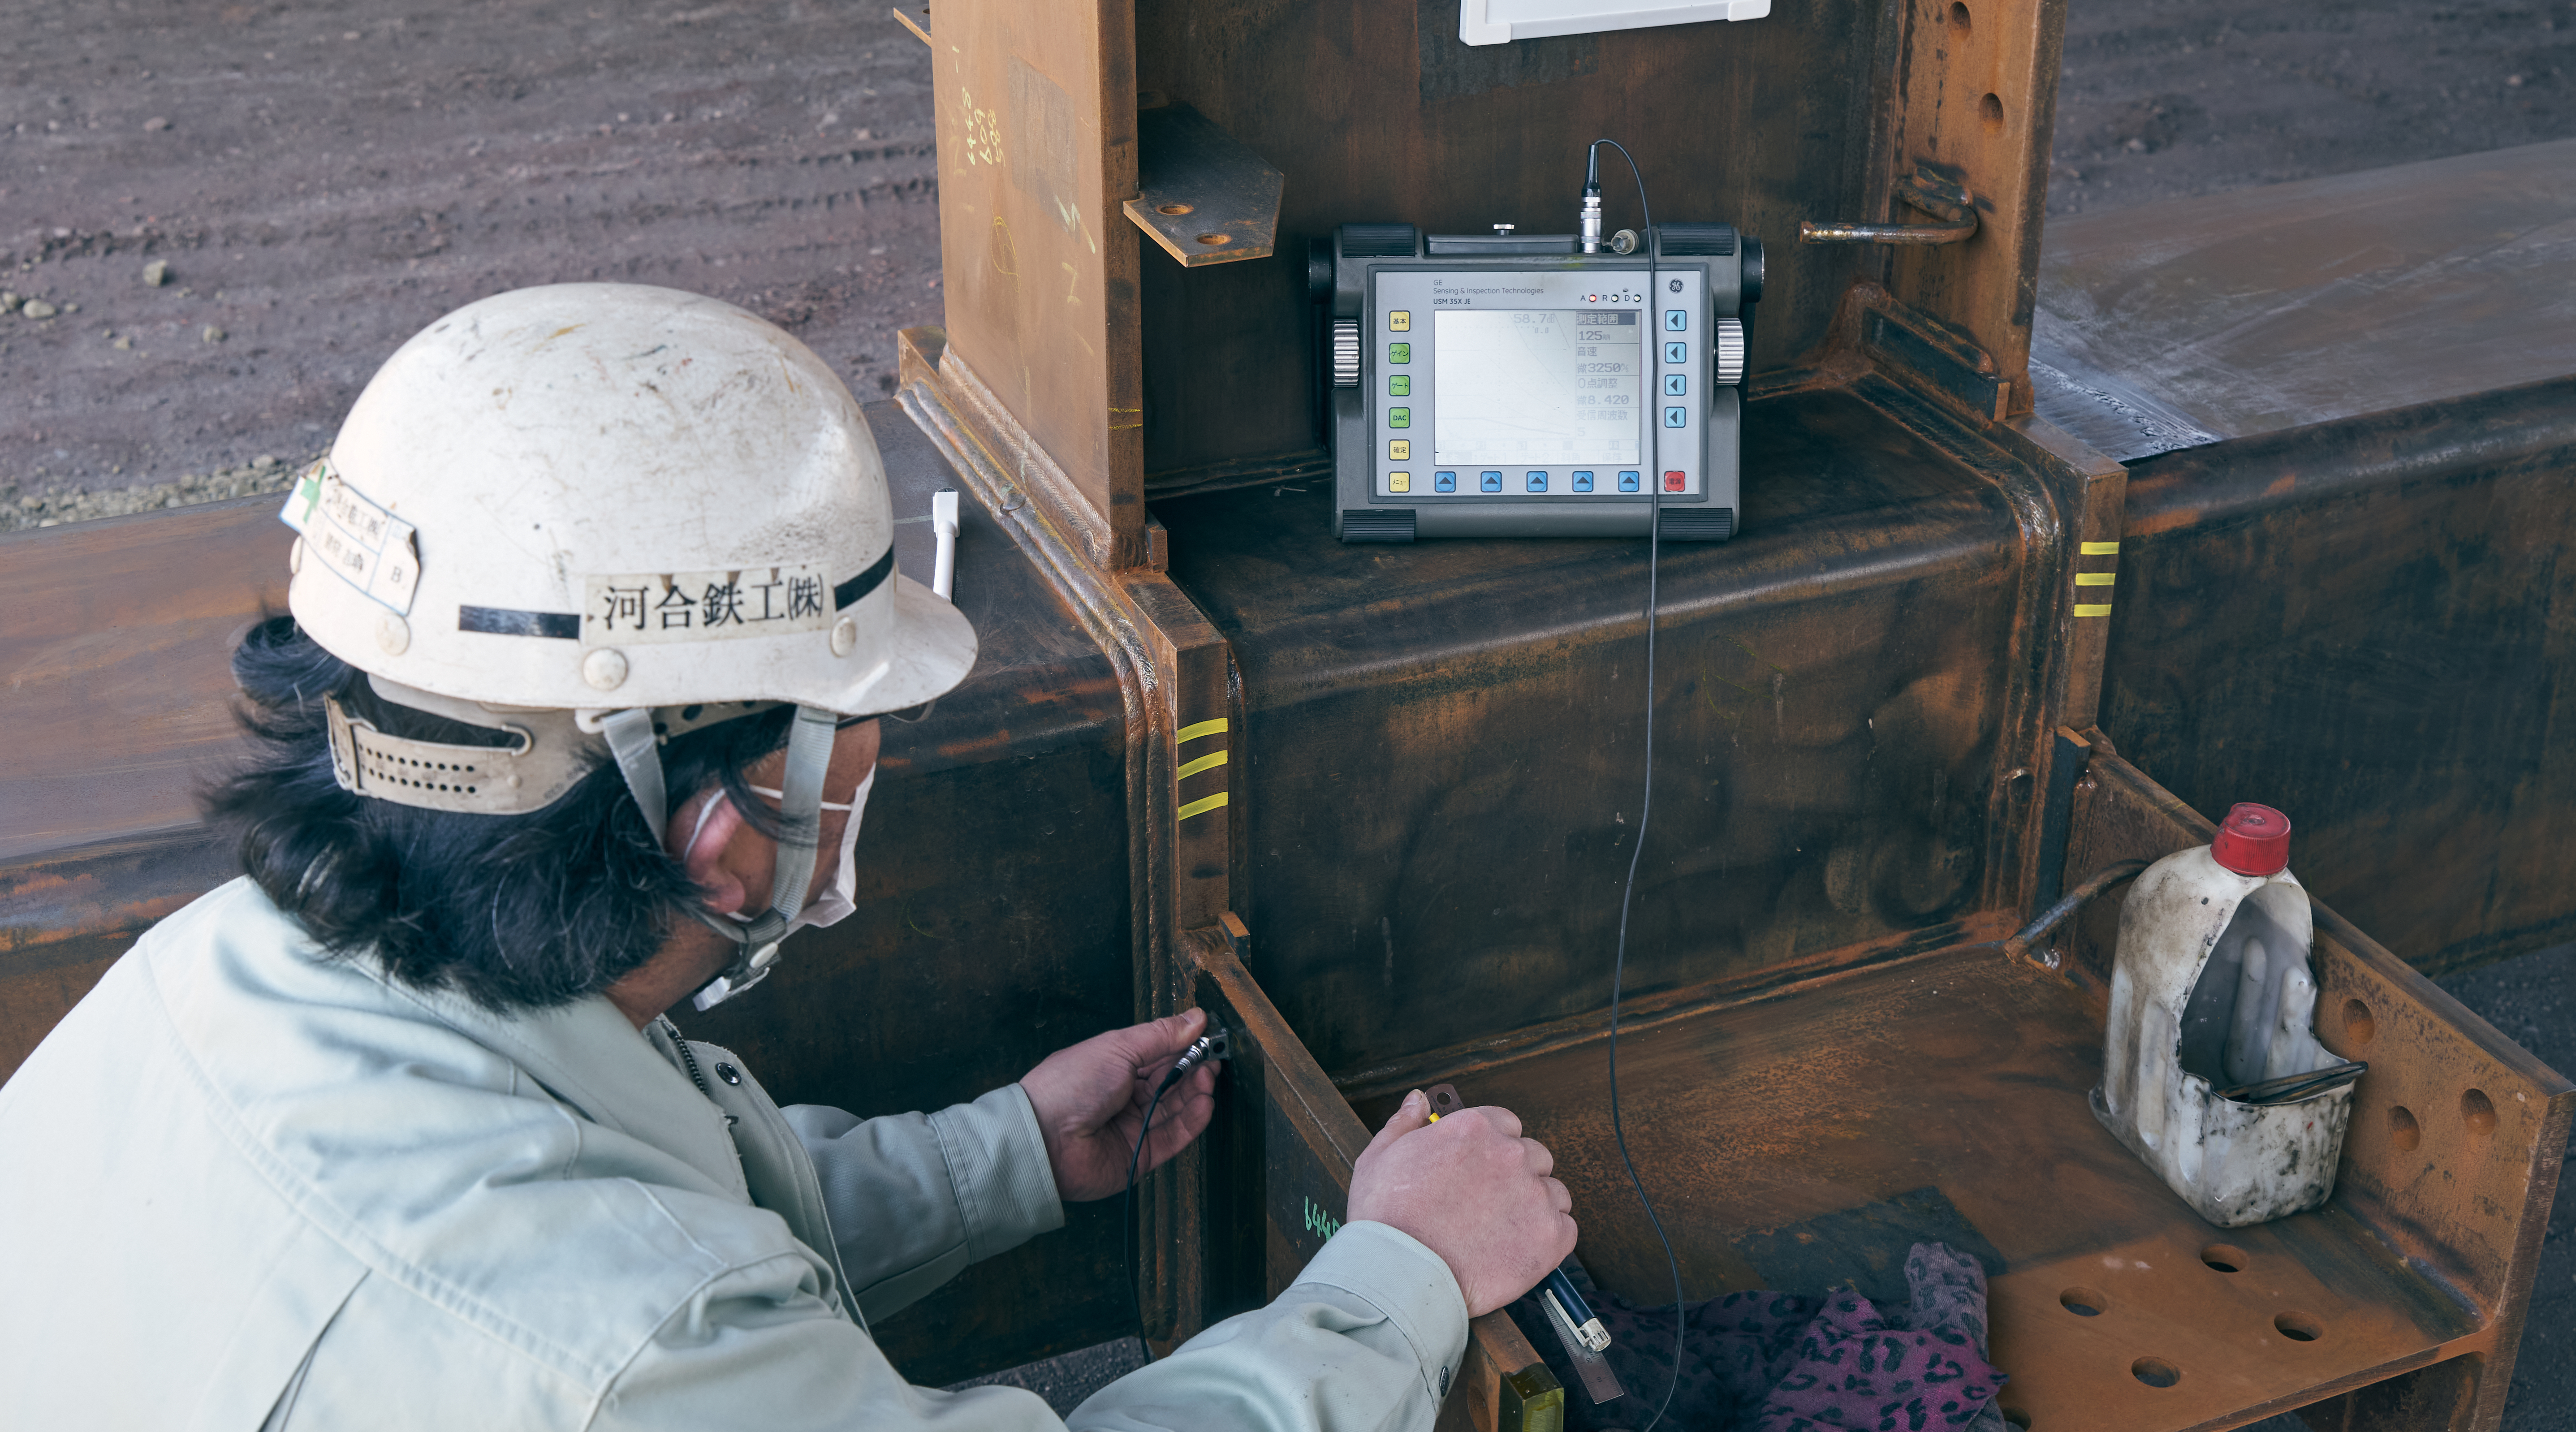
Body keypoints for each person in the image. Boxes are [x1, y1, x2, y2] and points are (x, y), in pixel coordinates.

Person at [0, 284, 1575, 1430]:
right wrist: (1401, 1275)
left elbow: (636, 1220)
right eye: (853, 731)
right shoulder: (631, 1350)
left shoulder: (205, 971)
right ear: (720, 835)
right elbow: (657, 1325)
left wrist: (1002, 1155)